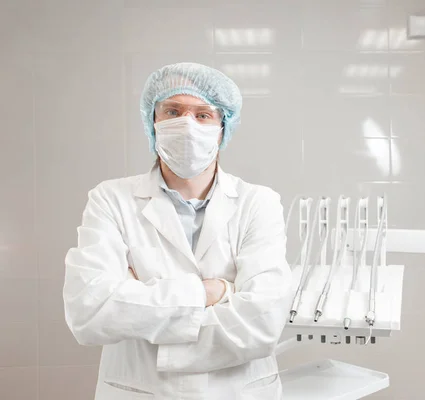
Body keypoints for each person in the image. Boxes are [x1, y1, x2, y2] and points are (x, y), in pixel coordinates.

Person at [63, 62, 292, 400]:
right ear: (152, 122)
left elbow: (261, 323)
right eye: (173, 110)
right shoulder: (110, 199)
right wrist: (211, 293)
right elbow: (89, 312)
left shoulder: (259, 203)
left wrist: (135, 300)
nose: (187, 124)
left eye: (203, 115)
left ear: (223, 127)